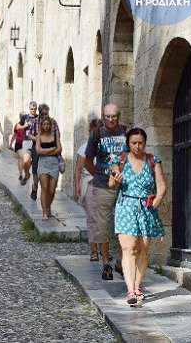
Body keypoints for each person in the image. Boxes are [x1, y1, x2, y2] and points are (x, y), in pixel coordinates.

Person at [108, 128, 166, 306]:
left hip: (146, 208)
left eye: (140, 142)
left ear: (145, 143)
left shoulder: (153, 161)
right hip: (126, 206)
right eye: (133, 143)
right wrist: (115, 179)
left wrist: (155, 202)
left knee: (143, 248)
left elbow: (162, 186)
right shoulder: (120, 160)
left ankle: (138, 286)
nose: (137, 146)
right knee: (129, 248)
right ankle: (131, 290)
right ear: (128, 143)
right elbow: (111, 184)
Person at [85, 103, 127, 280]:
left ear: (119, 116)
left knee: (124, 223)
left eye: (114, 116)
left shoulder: (126, 132)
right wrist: (100, 174)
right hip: (102, 185)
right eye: (107, 116)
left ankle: (121, 261)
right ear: (103, 117)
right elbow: (88, 160)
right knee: (103, 225)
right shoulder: (96, 134)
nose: (111, 119)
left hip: (123, 185)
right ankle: (106, 264)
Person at [74, 118, 101, 261]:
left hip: (103, 184)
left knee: (101, 218)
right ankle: (94, 249)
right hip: (88, 182)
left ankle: (101, 246)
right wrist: (77, 187)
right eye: (94, 131)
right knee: (92, 218)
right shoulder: (84, 148)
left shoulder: (105, 147)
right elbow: (78, 170)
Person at [27, 103, 58, 201]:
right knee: (36, 171)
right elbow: (29, 134)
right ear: (39, 113)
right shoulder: (35, 122)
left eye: (47, 114)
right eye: (43, 114)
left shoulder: (53, 122)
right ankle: (35, 187)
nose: (46, 116)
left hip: (51, 148)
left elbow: (57, 135)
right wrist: (37, 139)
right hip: (37, 149)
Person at [35, 116, 62, 220]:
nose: (46, 126)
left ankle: (48, 206)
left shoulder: (55, 135)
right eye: (44, 124)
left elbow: (59, 148)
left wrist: (45, 151)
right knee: (44, 188)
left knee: (52, 190)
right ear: (41, 125)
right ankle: (44, 212)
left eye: (48, 124)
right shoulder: (39, 136)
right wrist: (51, 149)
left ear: (51, 125)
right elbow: (38, 151)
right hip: (43, 163)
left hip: (54, 163)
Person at [13, 112, 32, 184]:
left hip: (27, 144)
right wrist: (11, 144)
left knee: (24, 160)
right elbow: (15, 134)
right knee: (23, 159)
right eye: (23, 117)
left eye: (25, 117)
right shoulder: (18, 125)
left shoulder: (29, 124)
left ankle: (25, 173)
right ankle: (22, 174)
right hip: (18, 144)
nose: (24, 118)